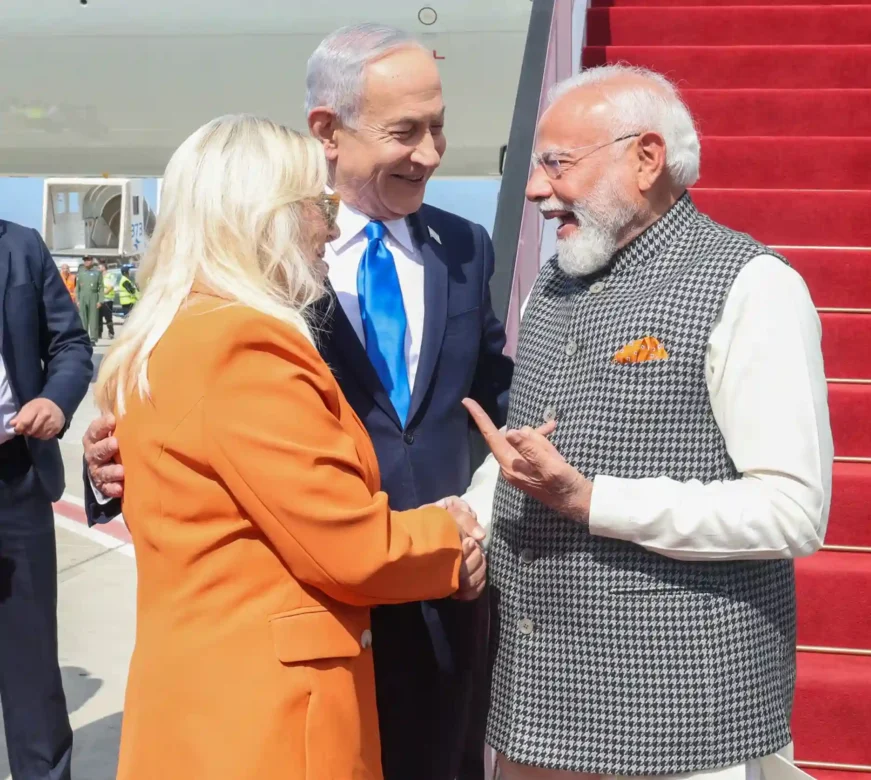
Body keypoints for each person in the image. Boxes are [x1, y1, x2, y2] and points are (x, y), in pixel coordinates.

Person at [82, 23, 514, 780]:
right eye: (405, 131)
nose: (431, 154)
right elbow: (349, 547)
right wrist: (454, 538)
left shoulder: (464, 247)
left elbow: (486, 390)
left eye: (438, 129)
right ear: (328, 134)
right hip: (303, 658)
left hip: (404, 630)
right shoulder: (247, 334)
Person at [461, 64, 833, 779]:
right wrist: (471, 511)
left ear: (647, 158)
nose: (536, 188)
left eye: (557, 164)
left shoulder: (753, 285)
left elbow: (793, 511)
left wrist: (594, 500)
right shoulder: (554, 281)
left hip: (677, 729)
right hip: (531, 714)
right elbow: (529, 452)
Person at [0, 219, 93, 780]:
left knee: (31, 661)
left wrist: (57, 403)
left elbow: (71, 344)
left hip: (14, 477)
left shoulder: (19, 245)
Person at [74, 256, 103, 344]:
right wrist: (77, 300)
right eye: (85, 260)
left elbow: (101, 287)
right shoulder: (80, 273)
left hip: (93, 296)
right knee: (83, 318)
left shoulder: (97, 273)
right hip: (82, 296)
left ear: (92, 261)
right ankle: (84, 337)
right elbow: (77, 288)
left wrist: (100, 300)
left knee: (93, 318)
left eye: (88, 260)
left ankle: (93, 338)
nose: (87, 262)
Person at [99, 265, 118, 339]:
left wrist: (104, 293)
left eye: (99, 267)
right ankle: (99, 333)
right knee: (98, 318)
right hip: (99, 300)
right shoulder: (99, 277)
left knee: (108, 318)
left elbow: (111, 286)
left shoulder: (110, 276)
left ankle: (111, 332)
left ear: (104, 268)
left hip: (107, 300)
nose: (98, 269)